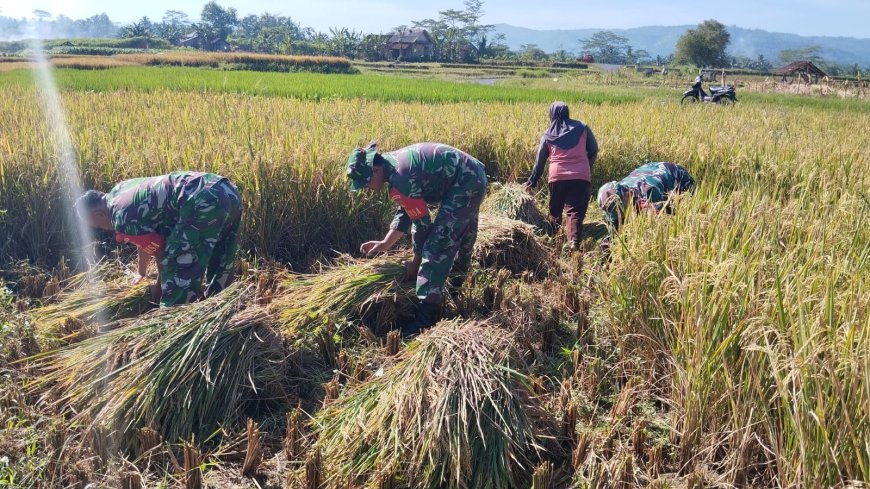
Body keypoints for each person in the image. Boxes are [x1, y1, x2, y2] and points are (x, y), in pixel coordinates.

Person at [347, 142, 487, 335]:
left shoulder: (400, 176)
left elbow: (422, 225)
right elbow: (407, 207)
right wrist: (385, 243)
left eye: (366, 183)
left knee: (436, 245)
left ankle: (426, 317)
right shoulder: (392, 166)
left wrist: (416, 262)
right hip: (471, 175)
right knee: (463, 234)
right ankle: (455, 286)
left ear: (376, 170)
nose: (367, 189)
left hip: (465, 182)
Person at [75, 171, 243, 307]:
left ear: (99, 214)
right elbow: (146, 241)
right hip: (225, 189)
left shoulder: (121, 218)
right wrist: (141, 272)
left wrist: (161, 286)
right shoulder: (119, 190)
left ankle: (176, 318)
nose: (101, 229)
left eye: (97, 226)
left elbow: (160, 251)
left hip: (201, 202)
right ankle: (220, 303)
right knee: (223, 250)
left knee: (178, 265)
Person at [525, 101, 599, 250]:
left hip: (557, 176)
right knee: (575, 212)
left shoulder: (548, 134)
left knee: (555, 209)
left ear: (551, 114)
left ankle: (552, 241)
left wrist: (531, 182)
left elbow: (539, 162)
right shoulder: (582, 127)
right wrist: (586, 166)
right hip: (581, 177)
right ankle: (573, 243)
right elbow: (594, 149)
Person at [596, 162, 695, 234]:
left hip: (677, 176)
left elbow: (659, 225)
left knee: (679, 216)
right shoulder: (614, 195)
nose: (619, 215)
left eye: (620, 210)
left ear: (628, 195)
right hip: (647, 170)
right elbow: (614, 226)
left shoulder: (648, 194)